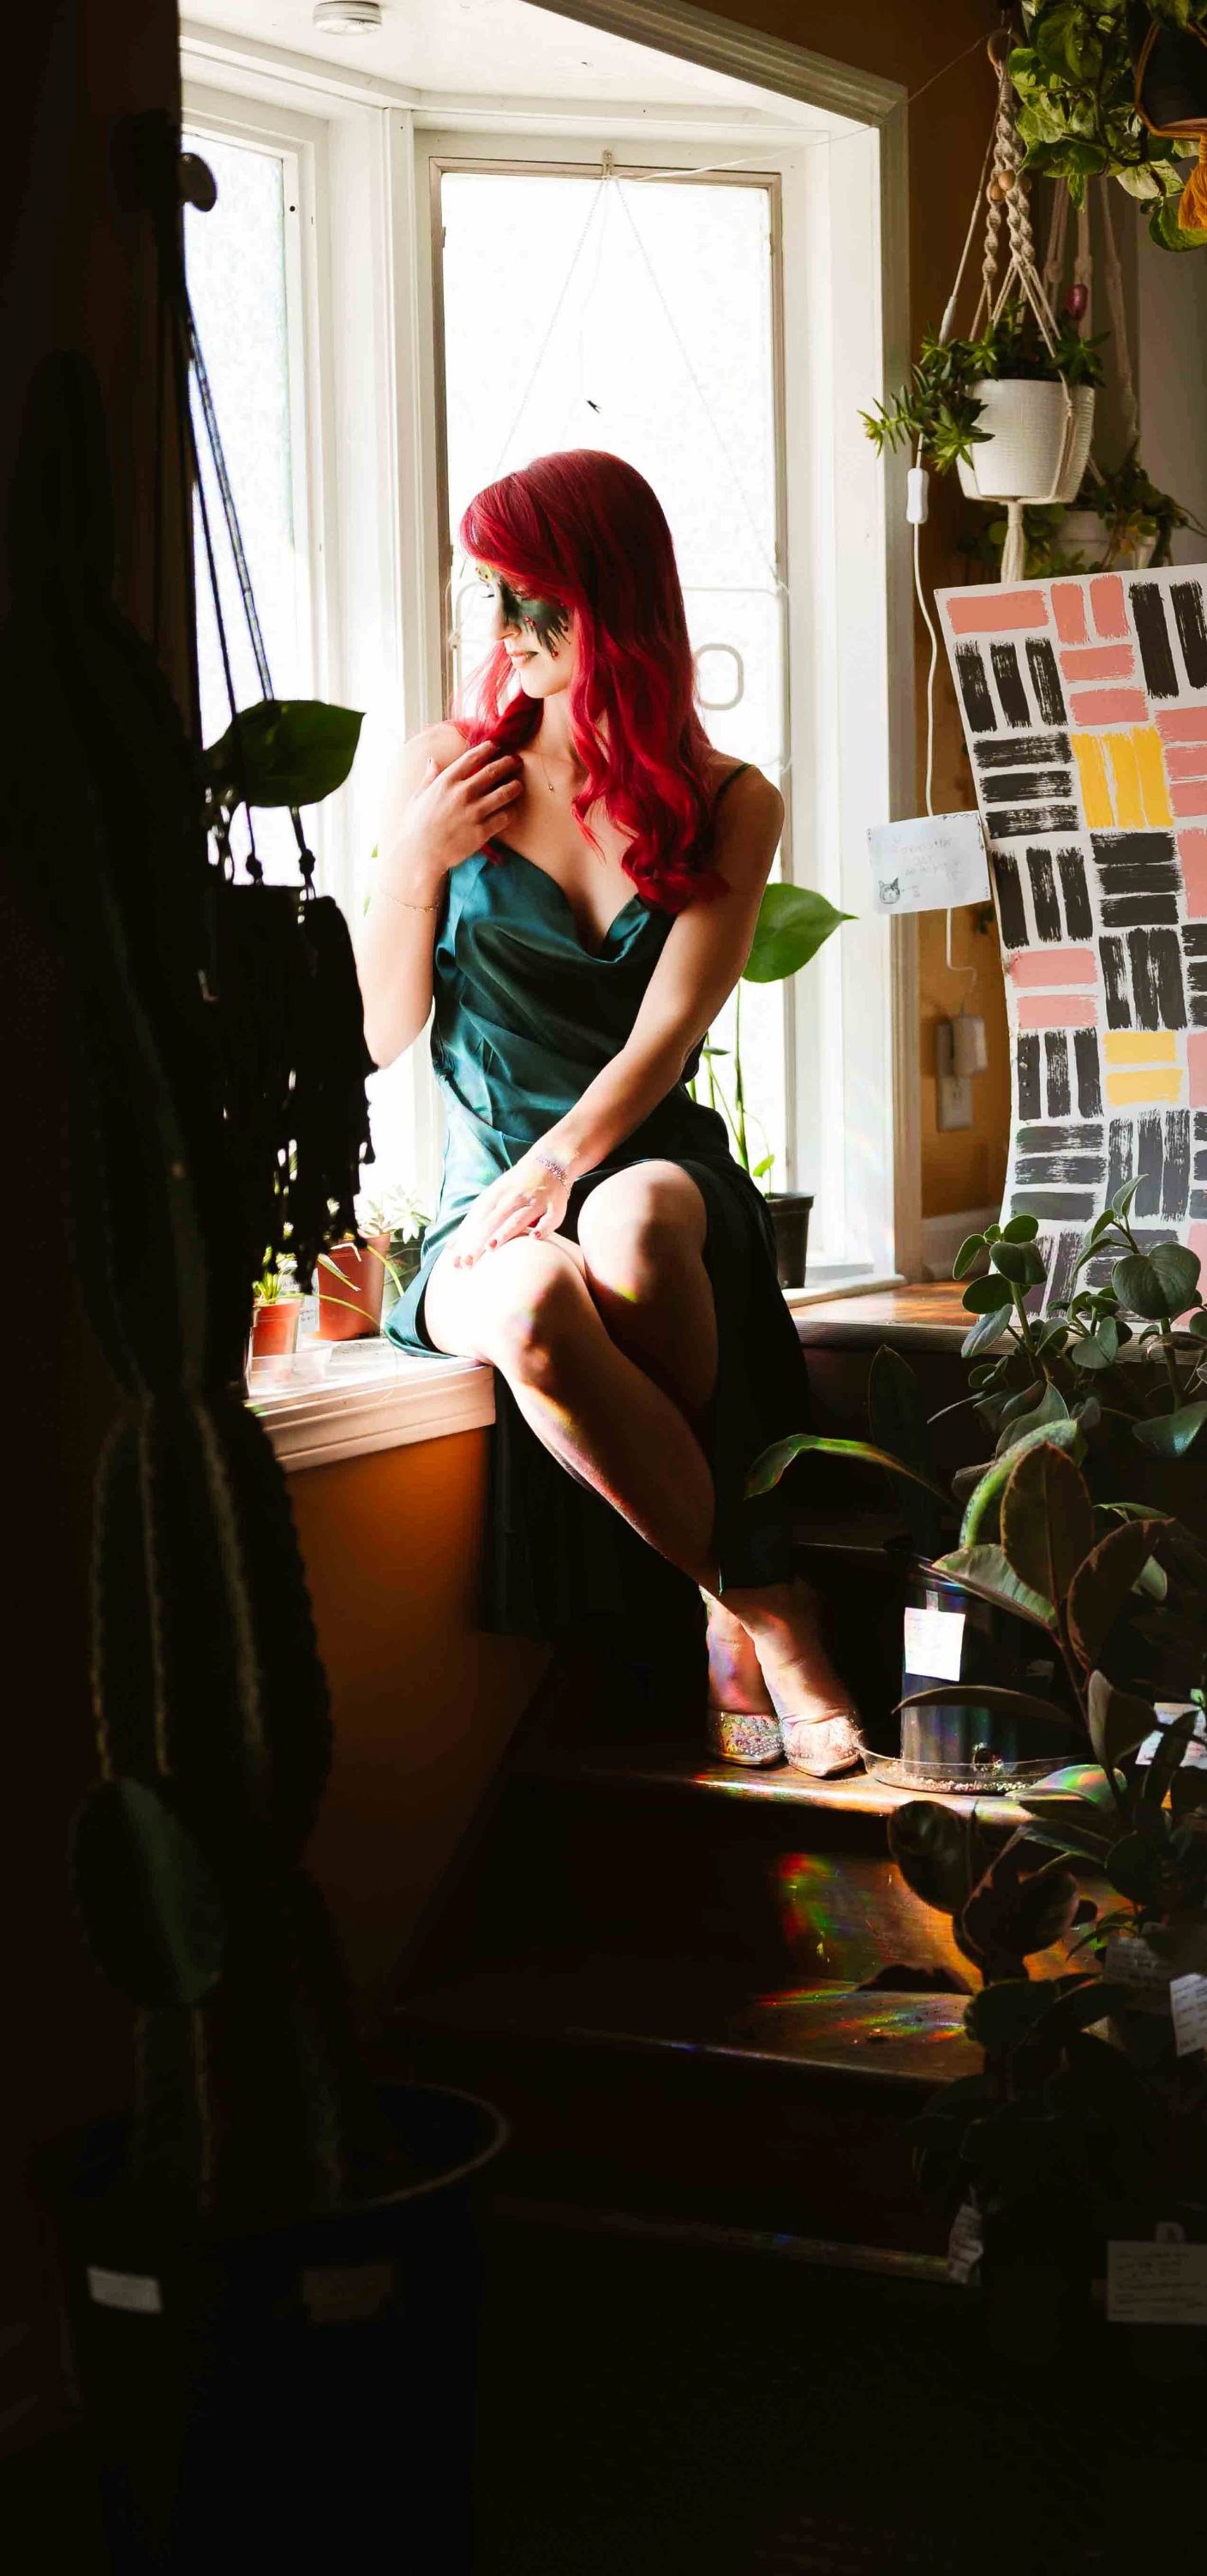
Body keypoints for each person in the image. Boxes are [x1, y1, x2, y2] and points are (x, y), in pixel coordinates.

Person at [357, 447, 859, 1777]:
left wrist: (561, 1165)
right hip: (485, 1196)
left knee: (633, 1226)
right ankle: (761, 1603)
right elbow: (377, 1031)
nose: (510, 635)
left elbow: (669, 1030)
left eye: (541, 603)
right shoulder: (447, 770)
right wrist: (412, 862)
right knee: (529, 1303)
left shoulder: (730, 799)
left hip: (640, 1154)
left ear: (619, 604)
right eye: (497, 600)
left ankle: (725, 1598)